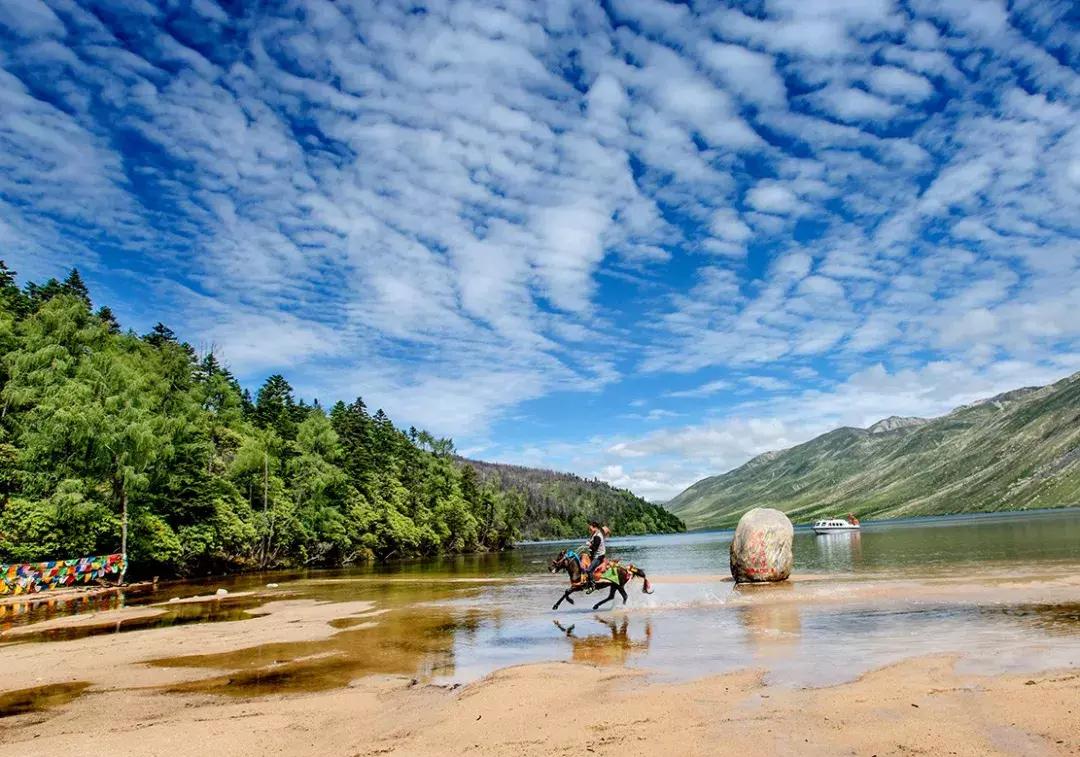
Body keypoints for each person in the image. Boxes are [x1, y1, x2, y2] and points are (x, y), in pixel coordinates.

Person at [579, 520, 609, 591]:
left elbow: (594, 548)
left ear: (595, 527)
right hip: (596, 555)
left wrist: (589, 545)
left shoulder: (597, 536)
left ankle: (593, 585)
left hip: (599, 557)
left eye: (590, 529)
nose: (590, 530)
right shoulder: (595, 534)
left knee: (589, 570)